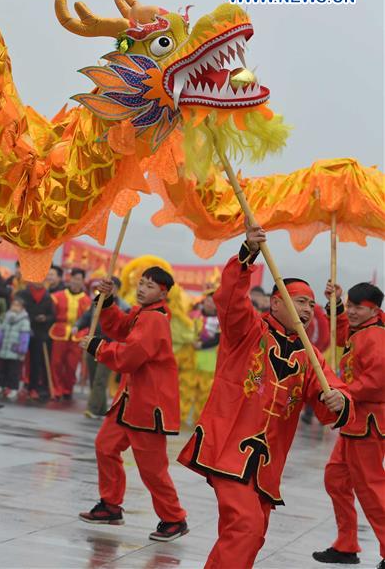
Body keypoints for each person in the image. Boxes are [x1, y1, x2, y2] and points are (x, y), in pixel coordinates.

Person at [177, 224, 350, 569]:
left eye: (311, 305)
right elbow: (228, 300)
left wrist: (339, 400)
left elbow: (329, 391)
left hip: (267, 465)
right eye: (300, 301)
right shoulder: (248, 330)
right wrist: (246, 254)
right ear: (276, 302)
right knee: (246, 527)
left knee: (251, 535)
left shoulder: (309, 354)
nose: (307, 309)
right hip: (228, 448)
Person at [79, 267, 188, 542]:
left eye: (149, 286)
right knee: (106, 445)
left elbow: (131, 355)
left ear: (163, 293)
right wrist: (107, 301)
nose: (141, 289)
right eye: (140, 283)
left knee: (152, 469)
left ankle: (174, 518)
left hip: (149, 406)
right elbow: (120, 327)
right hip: (130, 401)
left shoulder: (155, 319)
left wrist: (98, 348)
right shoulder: (144, 314)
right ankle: (110, 505)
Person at [313, 281, 384, 568]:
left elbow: (377, 381)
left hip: (369, 423)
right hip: (355, 423)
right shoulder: (362, 330)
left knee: (371, 488)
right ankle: (346, 544)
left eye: (358, 307)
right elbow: (342, 332)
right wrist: (336, 302)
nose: (352, 312)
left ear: (374, 309)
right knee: (336, 479)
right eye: (351, 306)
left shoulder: (376, 337)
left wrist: (344, 392)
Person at [76, 276, 127, 418]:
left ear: (117, 290)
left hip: (110, 347)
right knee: (93, 378)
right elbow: (87, 317)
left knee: (100, 379)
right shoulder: (98, 301)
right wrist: (77, 326)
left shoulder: (124, 306)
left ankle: (92, 409)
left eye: (112, 287)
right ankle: (101, 409)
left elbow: (124, 328)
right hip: (92, 343)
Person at [49, 268, 90, 401]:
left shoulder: (87, 301)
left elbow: (89, 320)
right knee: (56, 363)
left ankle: (68, 389)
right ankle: (56, 389)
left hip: (78, 335)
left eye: (79, 279)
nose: (76, 282)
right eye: (74, 278)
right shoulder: (57, 296)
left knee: (72, 365)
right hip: (59, 332)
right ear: (70, 278)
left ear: (83, 281)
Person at [180, 291, 219, 425]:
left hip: (208, 363)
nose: (210, 303)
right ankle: (180, 420)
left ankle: (199, 423)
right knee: (184, 391)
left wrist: (201, 345)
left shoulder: (220, 321)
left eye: (213, 302)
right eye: (208, 300)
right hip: (190, 360)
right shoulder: (193, 315)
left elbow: (217, 339)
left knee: (204, 396)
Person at [17, 279, 55, 402]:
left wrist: (45, 318)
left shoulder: (48, 296)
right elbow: (17, 309)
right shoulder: (23, 293)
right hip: (22, 330)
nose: (39, 282)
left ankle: (33, 388)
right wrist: (32, 317)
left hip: (39, 333)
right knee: (17, 359)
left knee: (36, 362)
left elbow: (52, 315)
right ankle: (12, 385)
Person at [0, 295, 31, 401]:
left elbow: (25, 337)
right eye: (13, 305)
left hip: (15, 351)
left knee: (14, 371)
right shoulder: (7, 317)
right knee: (1, 370)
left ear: (22, 308)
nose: (15, 307)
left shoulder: (24, 321)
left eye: (17, 306)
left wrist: (22, 350)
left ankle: (13, 388)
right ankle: (1, 386)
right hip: (4, 350)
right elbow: (1, 333)